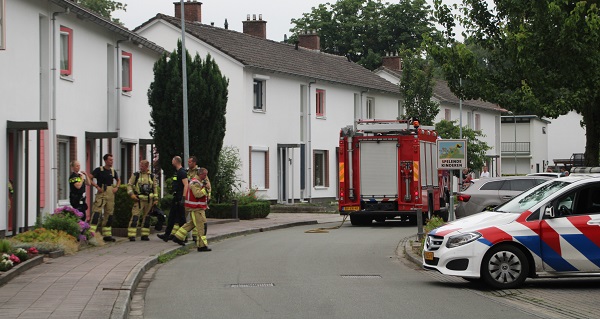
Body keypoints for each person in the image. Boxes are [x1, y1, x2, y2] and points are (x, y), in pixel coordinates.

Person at [172, 167, 212, 252]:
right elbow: (197, 194)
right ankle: (202, 246)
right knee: (202, 226)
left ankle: (177, 237)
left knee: (192, 224)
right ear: (201, 174)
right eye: (205, 175)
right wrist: (206, 189)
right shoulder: (195, 182)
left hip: (198, 207)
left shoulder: (199, 182)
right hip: (196, 208)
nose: (206, 177)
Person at [89, 154, 120, 242]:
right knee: (97, 212)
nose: (112, 162)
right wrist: (96, 186)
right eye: (110, 160)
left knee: (109, 213)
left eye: (112, 160)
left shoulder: (113, 171)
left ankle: (107, 235)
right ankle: (91, 234)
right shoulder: (99, 170)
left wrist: (117, 187)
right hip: (102, 191)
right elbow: (89, 178)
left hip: (110, 192)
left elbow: (118, 180)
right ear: (105, 161)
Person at [126, 160, 159, 241]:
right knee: (135, 217)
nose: (141, 167)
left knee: (147, 218)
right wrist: (132, 195)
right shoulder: (136, 175)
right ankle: (131, 235)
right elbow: (129, 185)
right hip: (139, 200)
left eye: (142, 166)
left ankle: (145, 235)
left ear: (147, 167)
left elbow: (155, 188)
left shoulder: (151, 176)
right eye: (140, 166)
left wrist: (156, 199)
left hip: (149, 200)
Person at [157, 156, 188, 242]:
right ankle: (167, 235)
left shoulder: (182, 172)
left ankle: (183, 237)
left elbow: (186, 185)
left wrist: (183, 198)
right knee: (172, 217)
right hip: (176, 198)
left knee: (181, 219)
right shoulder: (177, 172)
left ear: (176, 161)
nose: (171, 162)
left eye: (172, 160)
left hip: (179, 198)